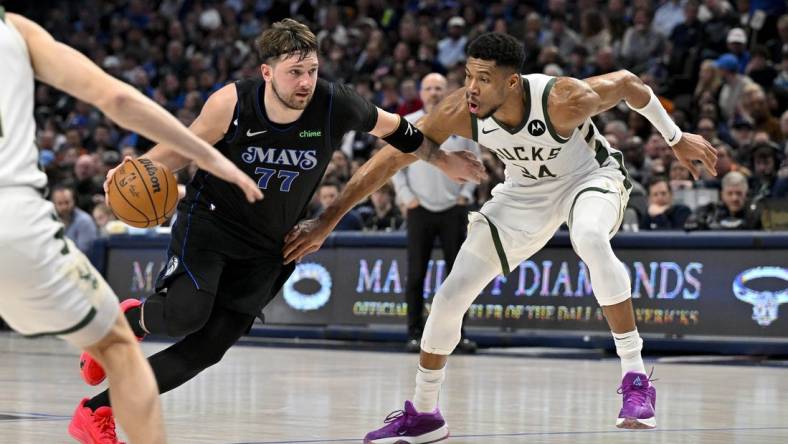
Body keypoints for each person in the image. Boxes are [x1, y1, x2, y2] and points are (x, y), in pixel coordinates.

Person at [283, 32, 717, 442]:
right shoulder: (460, 110)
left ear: (512, 83)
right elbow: (394, 156)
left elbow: (627, 84)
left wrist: (675, 138)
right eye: (469, 75)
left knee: (588, 236)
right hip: (524, 192)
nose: (471, 87)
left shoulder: (563, 99)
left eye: (483, 79)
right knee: (451, 294)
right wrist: (329, 218)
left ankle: (635, 377)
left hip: (590, 178)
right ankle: (426, 413)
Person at [77, 18, 484, 441]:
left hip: (270, 244)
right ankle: (124, 325)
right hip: (212, 222)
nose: (306, 81)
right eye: (295, 72)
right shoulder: (231, 103)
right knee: (185, 315)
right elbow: (181, 148)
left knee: (208, 349)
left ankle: (96, 411)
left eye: (311, 70)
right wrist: (136, 170)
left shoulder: (335, 103)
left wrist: (441, 159)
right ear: (267, 72)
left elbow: (398, 130)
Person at [0, 10, 263, 444]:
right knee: (120, 350)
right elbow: (117, 100)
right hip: (17, 224)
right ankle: (119, 352)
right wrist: (211, 158)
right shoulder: (14, 29)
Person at [392, 73, 480, 353]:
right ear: (421, 91)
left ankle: (457, 335)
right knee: (416, 275)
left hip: (454, 210)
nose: (433, 92)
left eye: (438, 88)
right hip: (420, 209)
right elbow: (394, 165)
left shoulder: (462, 123)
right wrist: (407, 198)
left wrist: (465, 197)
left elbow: (475, 163)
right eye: (428, 88)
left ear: (447, 92)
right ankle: (413, 334)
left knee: (459, 276)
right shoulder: (409, 123)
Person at [51, 186, 98, 254]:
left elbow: (83, 252)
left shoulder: (84, 221)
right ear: (54, 204)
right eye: (60, 203)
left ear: (74, 201)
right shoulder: (50, 221)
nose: (64, 207)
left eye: (67, 202)